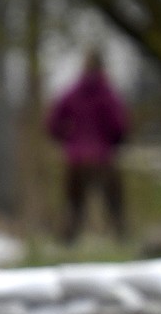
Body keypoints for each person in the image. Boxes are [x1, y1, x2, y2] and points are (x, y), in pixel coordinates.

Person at [45, 49, 129, 243]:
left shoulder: (72, 92)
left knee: (74, 204)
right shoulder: (108, 93)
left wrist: (67, 139)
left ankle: (67, 242)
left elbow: (52, 123)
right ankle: (121, 238)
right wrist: (113, 143)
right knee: (114, 201)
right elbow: (119, 125)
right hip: (102, 156)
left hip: (76, 157)